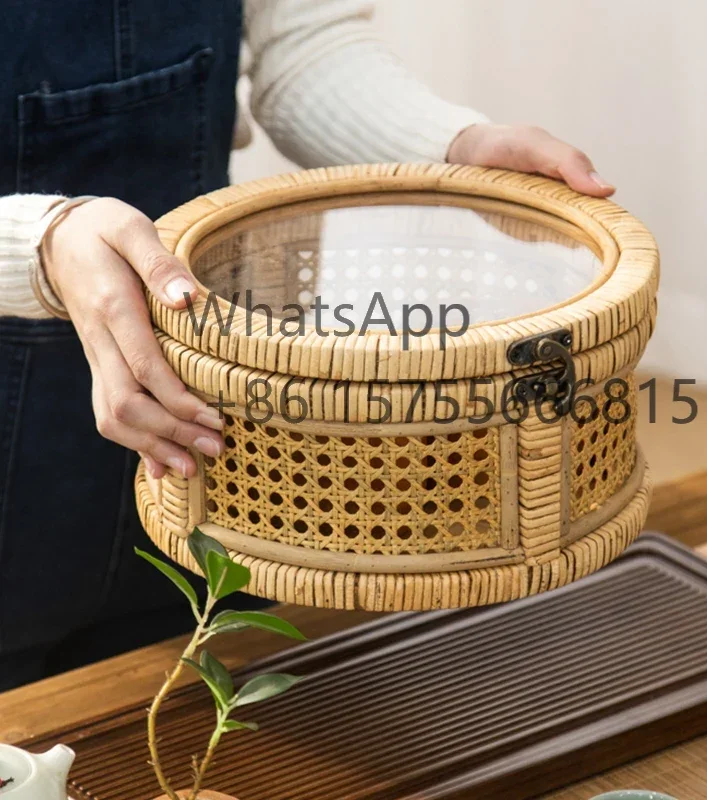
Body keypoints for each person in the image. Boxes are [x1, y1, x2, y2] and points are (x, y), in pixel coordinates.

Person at [0, 0, 615, 691]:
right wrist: (42, 245)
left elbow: (302, 48)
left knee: (214, 697)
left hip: (220, 414)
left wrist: (454, 143)